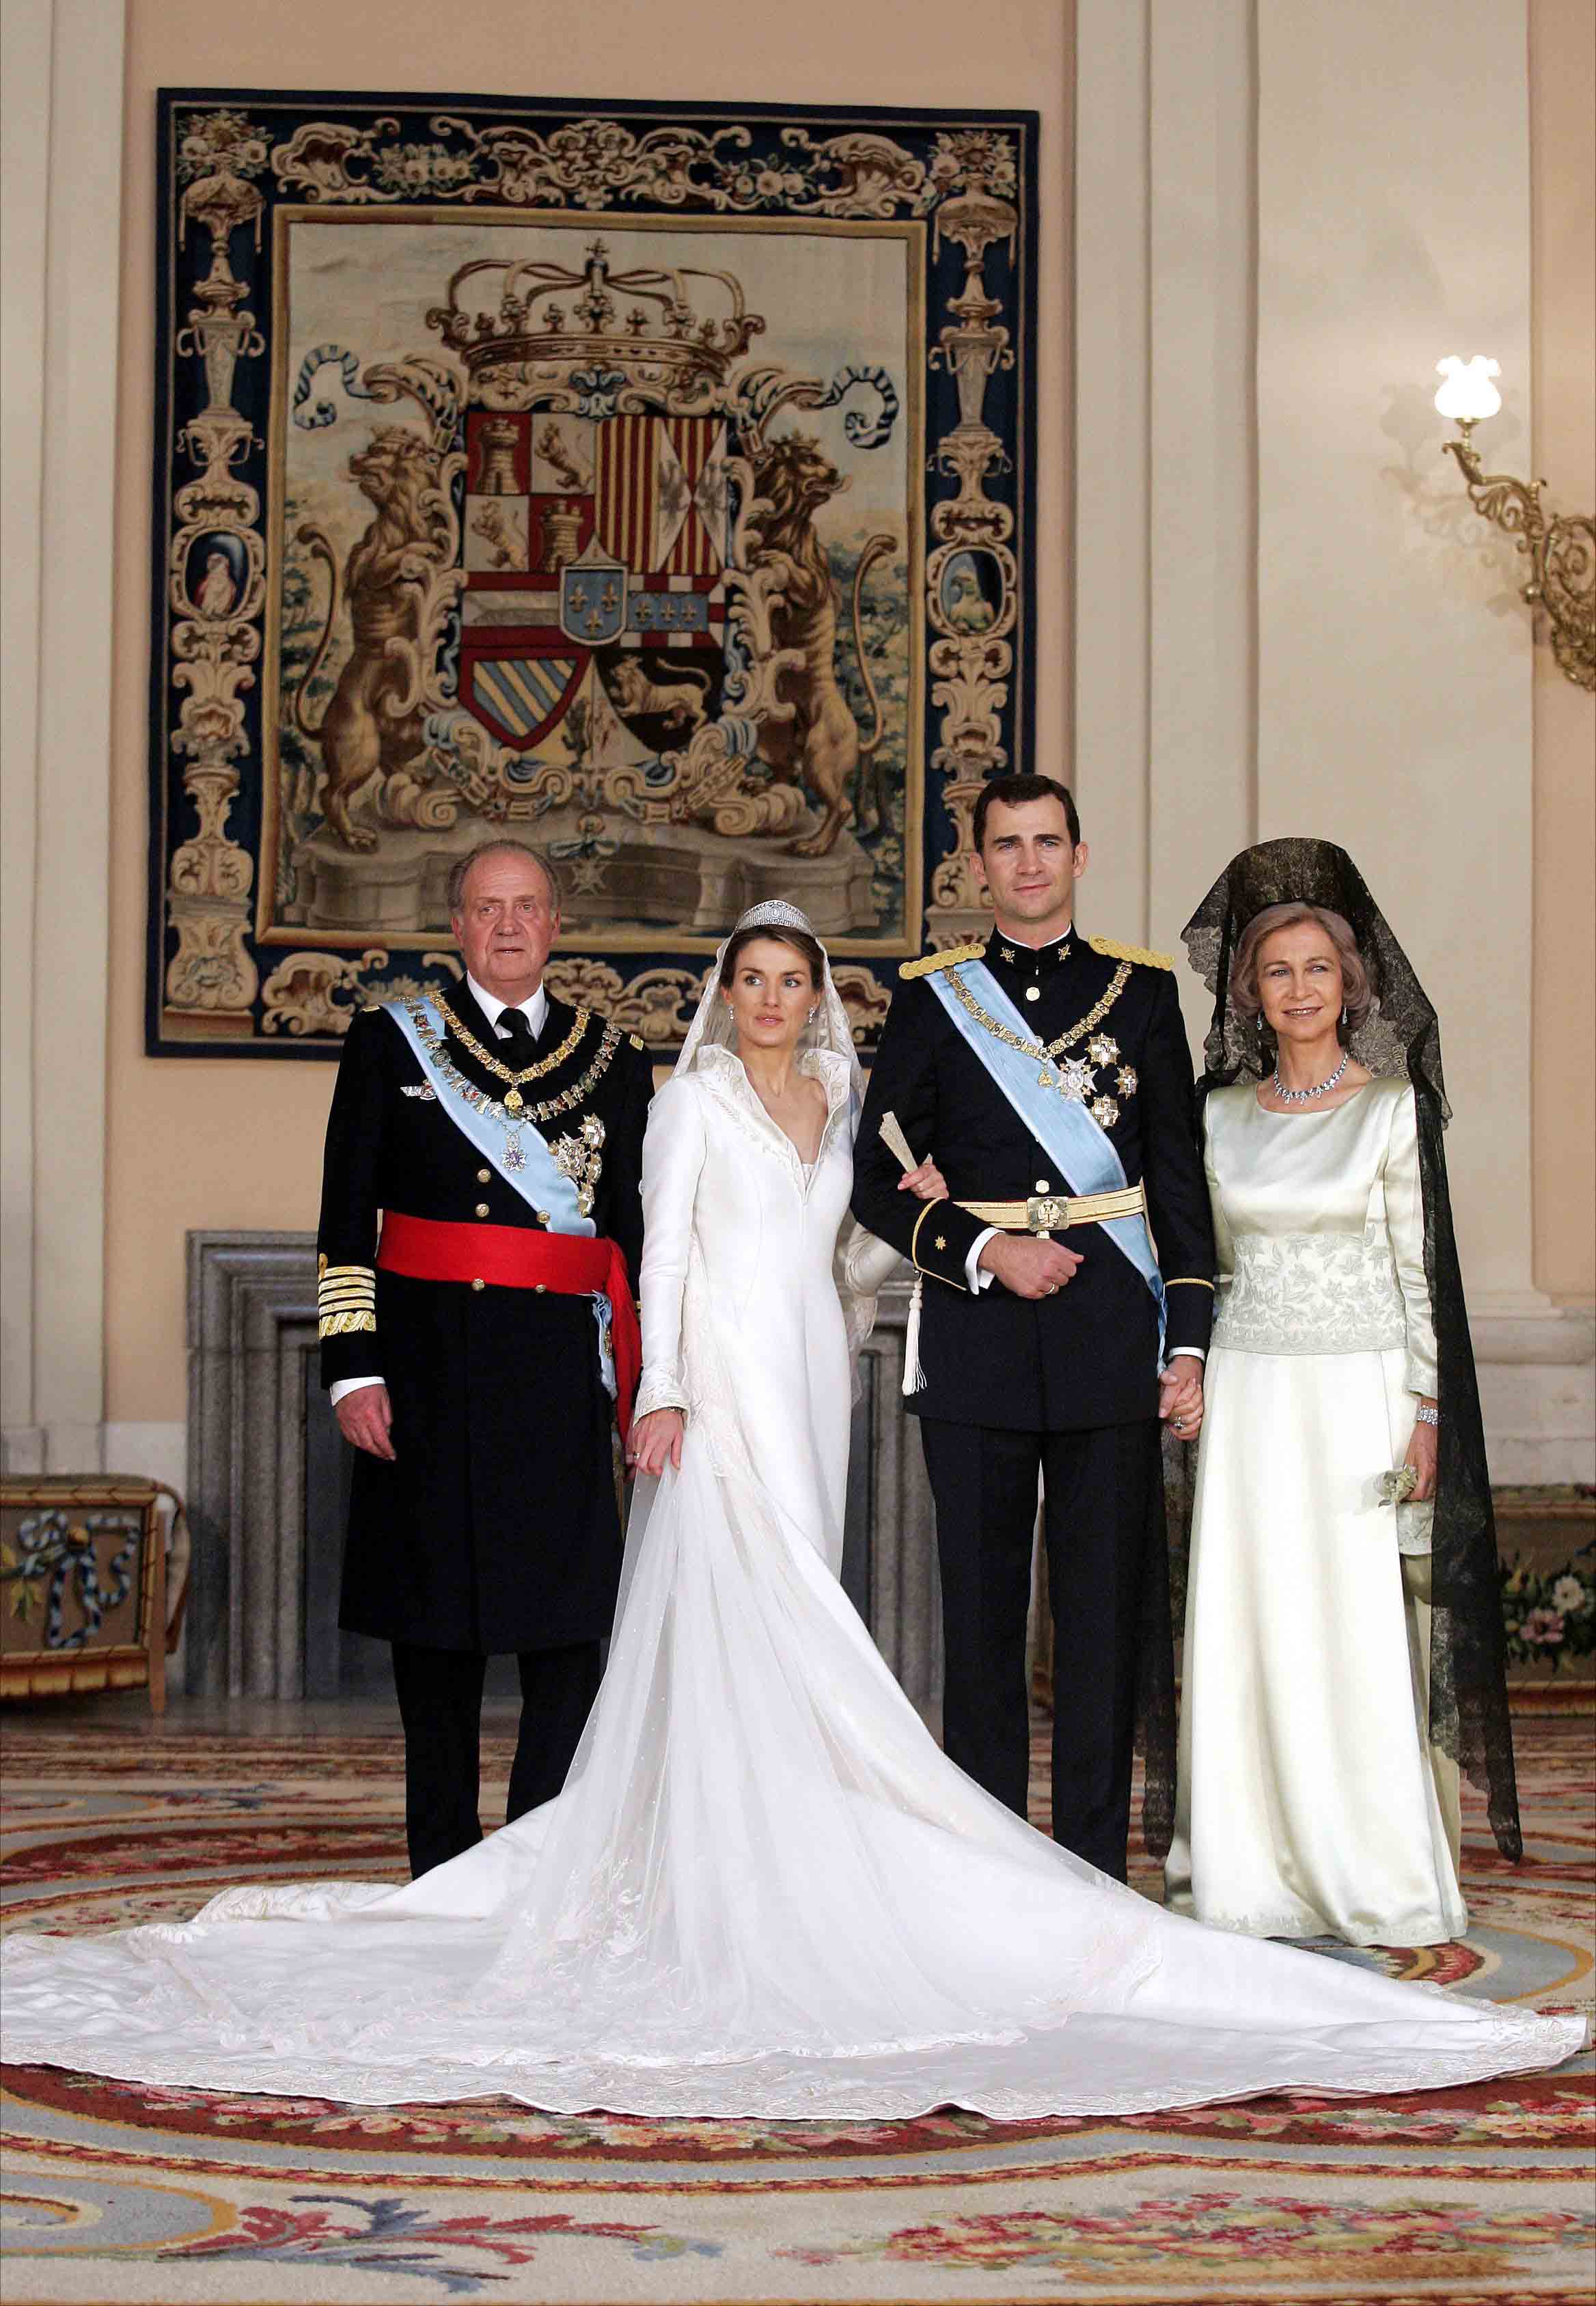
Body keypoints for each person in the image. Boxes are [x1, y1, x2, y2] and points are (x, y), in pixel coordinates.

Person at [2, 898, 1580, 2121]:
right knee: (749, 1600)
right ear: (722, 995)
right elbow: (666, 1255)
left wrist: (997, 1253)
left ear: (816, 997)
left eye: (790, 981)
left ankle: (787, 1810)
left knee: (800, 1586)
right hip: (721, 1383)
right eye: (750, 980)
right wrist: (664, 1387)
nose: (771, 1001)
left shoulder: (840, 1091)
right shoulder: (685, 1106)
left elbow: (880, 1234)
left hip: (814, 1369)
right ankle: (719, 1848)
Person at [850, 774, 1213, 1879]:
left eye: (1048, 842)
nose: (1030, 863)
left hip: (1111, 1337)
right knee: (982, 1623)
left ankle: (1095, 1876)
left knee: (1103, 1629)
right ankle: (995, 1876)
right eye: (1006, 846)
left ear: (1080, 854)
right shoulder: (931, 997)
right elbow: (874, 1179)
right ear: (979, 865)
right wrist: (984, 1251)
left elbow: (1179, 1185)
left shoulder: (1143, 995)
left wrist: (1189, 1341)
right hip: (979, 1338)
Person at [1167, 840, 1520, 1945]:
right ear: (1250, 996)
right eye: (1279, 971)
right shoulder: (1216, 1115)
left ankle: (1371, 1864)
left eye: (1320, 967)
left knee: (1358, 1632)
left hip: (1362, 1401)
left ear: (1351, 984)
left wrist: (1426, 1414)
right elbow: (1195, 1261)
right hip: (1252, 1403)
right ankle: (1248, 1863)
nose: (1302, 987)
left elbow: (1422, 1275)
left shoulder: (1393, 1110)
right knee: (1250, 1623)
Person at [316, 838, 652, 1878]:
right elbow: (343, 1218)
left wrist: (650, 1378)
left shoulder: (615, 1059)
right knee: (438, 1641)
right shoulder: (391, 1041)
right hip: (426, 1373)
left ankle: (535, 1874)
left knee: (565, 1638)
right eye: (486, 907)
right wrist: (352, 1366)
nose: (508, 926)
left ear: (556, 925)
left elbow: (634, 1240)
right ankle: (443, 1874)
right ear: (456, 925)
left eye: (528, 907)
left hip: (556, 1379)